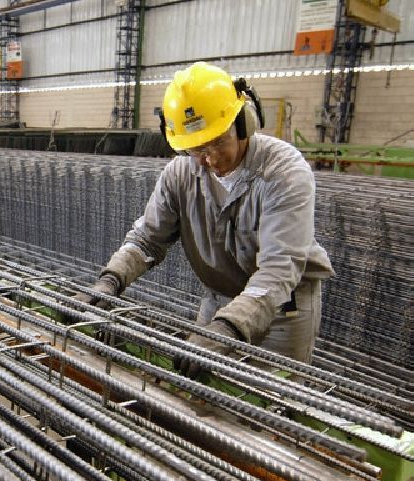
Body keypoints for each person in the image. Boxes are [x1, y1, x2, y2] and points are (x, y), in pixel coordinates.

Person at [80, 62, 334, 376]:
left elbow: (279, 270)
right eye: (196, 148)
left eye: (217, 142)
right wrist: (110, 280)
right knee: (200, 395)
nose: (209, 158)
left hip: (281, 310)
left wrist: (228, 329)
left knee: (269, 405)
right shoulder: (181, 173)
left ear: (243, 124)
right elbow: (147, 239)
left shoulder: (284, 172)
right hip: (220, 303)